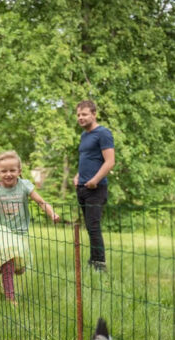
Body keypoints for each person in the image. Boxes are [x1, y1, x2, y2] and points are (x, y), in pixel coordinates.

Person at [0, 150, 60, 304]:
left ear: (19, 171)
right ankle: (11, 298)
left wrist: (52, 214)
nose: (8, 174)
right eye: (4, 171)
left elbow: (41, 201)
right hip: (1, 232)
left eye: (12, 170)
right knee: (9, 265)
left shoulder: (24, 186)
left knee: (20, 268)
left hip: (20, 232)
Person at [73, 100, 115, 272]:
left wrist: (95, 180)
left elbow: (110, 161)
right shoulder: (84, 136)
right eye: (78, 115)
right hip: (82, 187)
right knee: (89, 226)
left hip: (95, 189)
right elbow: (86, 159)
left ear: (94, 114)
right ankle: (93, 260)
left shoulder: (103, 133)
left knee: (94, 225)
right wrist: (77, 176)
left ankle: (100, 264)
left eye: (84, 114)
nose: (80, 118)